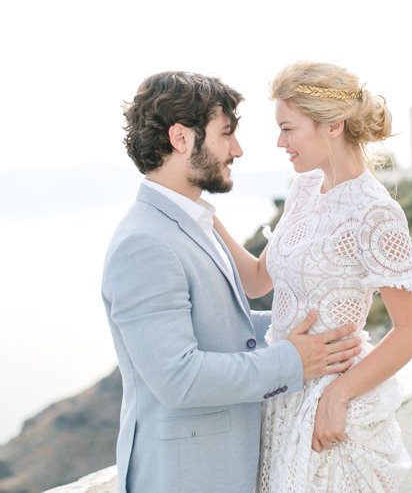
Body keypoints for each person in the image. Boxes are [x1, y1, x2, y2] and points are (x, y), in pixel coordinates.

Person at [101, 71, 363, 493]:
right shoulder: (144, 243)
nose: (237, 150)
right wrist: (293, 360)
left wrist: (314, 328)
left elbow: (221, 323)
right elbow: (180, 378)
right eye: (226, 134)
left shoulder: (191, 221)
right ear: (181, 138)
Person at [214, 61, 412, 492]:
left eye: (288, 129)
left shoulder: (376, 212)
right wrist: (204, 215)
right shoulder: (303, 188)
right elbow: (257, 281)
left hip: (332, 410)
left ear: (333, 126)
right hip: (283, 393)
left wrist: (339, 394)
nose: (280, 142)